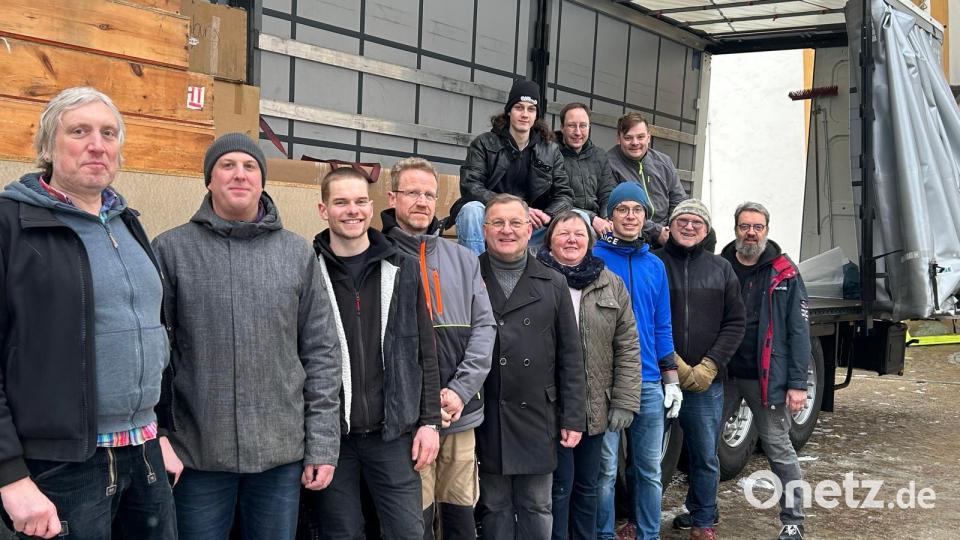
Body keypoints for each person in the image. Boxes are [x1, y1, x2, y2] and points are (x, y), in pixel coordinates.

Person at [0, 86, 175, 538]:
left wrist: (163, 433)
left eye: (108, 133)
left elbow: (152, 332)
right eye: (79, 131)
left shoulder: (127, 222)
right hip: (60, 467)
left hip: (143, 452)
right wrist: (9, 475)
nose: (97, 144)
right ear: (46, 147)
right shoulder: (11, 225)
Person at [152, 133, 343, 539]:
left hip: (279, 457)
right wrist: (161, 437)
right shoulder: (171, 250)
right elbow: (155, 356)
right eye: (227, 165)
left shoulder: (296, 253)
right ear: (209, 179)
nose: (240, 174)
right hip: (197, 456)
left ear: (262, 180)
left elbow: (322, 353)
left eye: (250, 166)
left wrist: (323, 444)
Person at [310, 167, 442, 540]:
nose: (352, 210)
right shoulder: (307, 270)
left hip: (393, 434)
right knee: (342, 533)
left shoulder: (403, 268)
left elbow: (425, 351)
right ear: (323, 209)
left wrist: (430, 422)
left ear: (371, 206)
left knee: (407, 532)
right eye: (341, 202)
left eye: (359, 201)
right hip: (333, 439)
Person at [380, 157, 496, 540]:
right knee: (415, 519)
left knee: (460, 515)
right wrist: (421, 405)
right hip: (405, 421)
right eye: (412, 192)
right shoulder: (377, 257)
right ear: (392, 197)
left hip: (460, 414)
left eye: (429, 194)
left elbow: (485, 328)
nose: (422, 202)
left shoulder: (463, 259)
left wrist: (460, 391)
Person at [475, 194, 586, 539]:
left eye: (515, 222)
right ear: (484, 230)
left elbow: (571, 355)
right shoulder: (470, 274)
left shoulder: (553, 282)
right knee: (494, 505)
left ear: (529, 229)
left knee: (537, 505)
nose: (506, 230)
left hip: (538, 414)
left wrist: (573, 417)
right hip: (489, 412)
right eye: (498, 223)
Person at [537, 211, 641, 540]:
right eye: (563, 233)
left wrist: (624, 401)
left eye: (579, 234)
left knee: (587, 487)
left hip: (594, 407)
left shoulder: (611, 283)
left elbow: (628, 345)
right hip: (549, 408)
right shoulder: (536, 279)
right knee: (558, 488)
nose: (572, 239)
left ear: (590, 241)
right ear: (549, 241)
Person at [653, 200, 746, 540]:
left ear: (706, 230)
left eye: (697, 222)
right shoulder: (654, 263)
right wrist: (673, 364)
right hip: (658, 377)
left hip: (707, 381)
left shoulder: (721, 269)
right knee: (647, 456)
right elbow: (644, 318)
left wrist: (710, 365)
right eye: (682, 220)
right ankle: (640, 517)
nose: (689, 226)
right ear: (670, 226)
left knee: (705, 454)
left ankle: (703, 518)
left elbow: (735, 322)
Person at [593, 182, 680, 540]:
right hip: (605, 381)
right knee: (605, 470)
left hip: (647, 381)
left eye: (637, 210)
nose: (630, 216)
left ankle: (649, 534)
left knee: (649, 470)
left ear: (646, 217)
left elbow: (662, 325)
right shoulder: (594, 259)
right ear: (610, 216)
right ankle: (603, 534)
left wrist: (671, 378)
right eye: (622, 209)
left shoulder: (655, 265)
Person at [719, 202, 810, 540]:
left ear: (767, 231)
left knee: (778, 449)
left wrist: (797, 384)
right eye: (745, 226)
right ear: (735, 229)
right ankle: (700, 510)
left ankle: (793, 520)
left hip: (766, 379)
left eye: (758, 227)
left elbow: (799, 331)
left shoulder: (784, 272)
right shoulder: (721, 265)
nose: (751, 233)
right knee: (704, 445)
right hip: (723, 375)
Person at [451, 79, 574, 254]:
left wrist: (549, 215)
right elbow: (471, 186)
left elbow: (564, 195)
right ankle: (476, 269)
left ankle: (546, 271)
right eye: (519, 107)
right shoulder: (484, 143)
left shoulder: (551, 150)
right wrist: (517, 210)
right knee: (471, 211)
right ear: (509, 111)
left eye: (531, 109)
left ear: (536, 115)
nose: (525, 114)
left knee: (580, 219)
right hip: (492, 223)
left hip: (530, 227)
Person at [606, 112, 689, 249]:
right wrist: (657, 232)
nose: (635, 143)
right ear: (618, 139)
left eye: (640, 137)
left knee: (707, 234)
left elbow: (679, 200)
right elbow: (614, 210)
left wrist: (672, 228)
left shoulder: (664, 161)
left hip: (666, 230)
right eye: (628, 138)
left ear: (648, 137)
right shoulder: (608, 164)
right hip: (633, 230)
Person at [555, 103, 618, 238]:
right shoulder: (551, 153)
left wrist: (607, 217)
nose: (578, 132)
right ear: (562, 128)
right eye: (572, 125)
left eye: (583, 126)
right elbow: (554, 200)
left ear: (589, 127)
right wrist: (592, 218)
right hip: (564, 219)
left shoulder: (599, 155)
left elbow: (607, 193)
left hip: (598, 219)